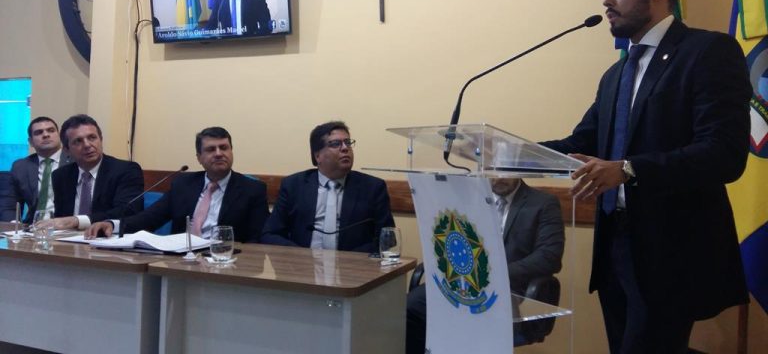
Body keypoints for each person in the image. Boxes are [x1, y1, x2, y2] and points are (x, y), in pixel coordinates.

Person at [539, 0, 751, 353]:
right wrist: (505, 152)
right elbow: (579, 144)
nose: (606, 0)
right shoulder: (616, 74)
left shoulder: (707, 53)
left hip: (671, 254)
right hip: (614, 249)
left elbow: (724, 154)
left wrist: (628, 169)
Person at [405, 178, 564, 353]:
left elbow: (549, 257)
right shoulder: (469, 198)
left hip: (509, 289)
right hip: (461, 284)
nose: (499, 177)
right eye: (493, 170)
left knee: (471, 323)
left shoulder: (543, 203)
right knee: (410, 307)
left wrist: (497, 275)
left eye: (505, 170)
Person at [86, 127, 269, 243]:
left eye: (224, 147)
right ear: (199, 158)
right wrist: (112, 224)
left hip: (224, 261)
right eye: (211, 149)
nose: (219, 153)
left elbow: (257, 239)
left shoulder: (252, 190)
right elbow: (149, 218)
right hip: (182, 261)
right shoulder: (183, 184)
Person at [261, 121, 394, 252]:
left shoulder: (372, 188)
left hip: (352, 263)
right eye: (336, 144)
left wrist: (348, 259)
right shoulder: (294, 185)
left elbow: (388, 238)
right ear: (317, 156)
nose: (345, 148)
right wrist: (302, 256)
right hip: (302, 263)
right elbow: (270, 234)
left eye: (348, 142)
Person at [51, 114, 144, 230]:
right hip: (68, 238)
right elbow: (61, 218)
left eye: (92, 138)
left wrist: (78, 221)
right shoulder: (61, 176)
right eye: (78, 141)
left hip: (107, 237)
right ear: (66, 150)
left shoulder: (126, 170)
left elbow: (127, 212)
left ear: (101, 139)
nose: (87, 145)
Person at [4, 117, 73, 223]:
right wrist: (14, 225)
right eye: (39, 132)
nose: (45, 135)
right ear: (31, 142)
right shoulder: (21, 166)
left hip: (67, 226)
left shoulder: (76, 161)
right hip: (32, 226)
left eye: (51, 130)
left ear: (59, 136)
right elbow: (10, 203)